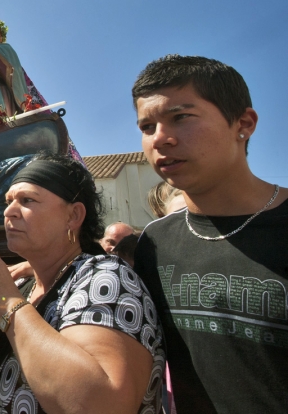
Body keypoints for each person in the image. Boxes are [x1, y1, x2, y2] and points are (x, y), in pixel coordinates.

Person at [132, 54, 288, 413]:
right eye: (146, 127)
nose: (160, 139)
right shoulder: (153, 245)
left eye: (180, 118)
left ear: (243, 123)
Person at [0, 154, 164, 413]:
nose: (9, 211)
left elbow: (100, 404)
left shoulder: (106, 277)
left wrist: (3, 296)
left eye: (27, 200)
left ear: (73, 215)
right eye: (8, 201)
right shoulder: (26, 286)